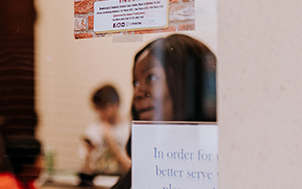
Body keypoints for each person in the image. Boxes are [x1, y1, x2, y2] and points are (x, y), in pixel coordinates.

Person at [111, 34, 216, 189]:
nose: (137, 93)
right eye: (135, 82)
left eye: (152, 77)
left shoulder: (218, 163)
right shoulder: (148, 165)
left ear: (188, 83)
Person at [79, 84, 130, 178]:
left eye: (104, 108)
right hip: (97, 184)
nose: (100, 113)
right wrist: (89, 152)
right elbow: (86, 170)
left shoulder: (128, 130)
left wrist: (111, 142)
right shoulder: (93, 129)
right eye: (97, 108)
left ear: (116, 104)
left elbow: (129, 168)